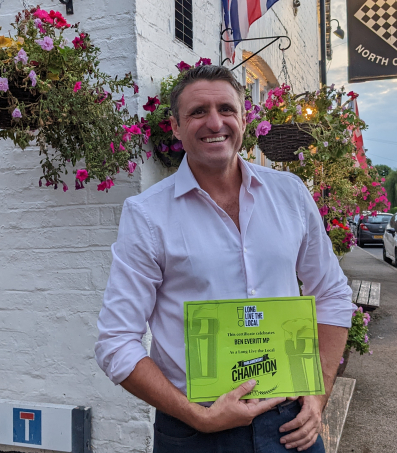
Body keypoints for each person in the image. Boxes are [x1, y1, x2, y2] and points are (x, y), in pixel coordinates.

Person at [95, 65, 352, 452]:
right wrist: (197, 416)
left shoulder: (291, 195)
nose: (215, 122)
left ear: (244, 119)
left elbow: (332, 293)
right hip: (196, 430)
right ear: (176, 127)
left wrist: (319, 395)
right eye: (198, 112)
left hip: (290, 421)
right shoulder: (148, 214)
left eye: (226, 109)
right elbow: (116, 341)